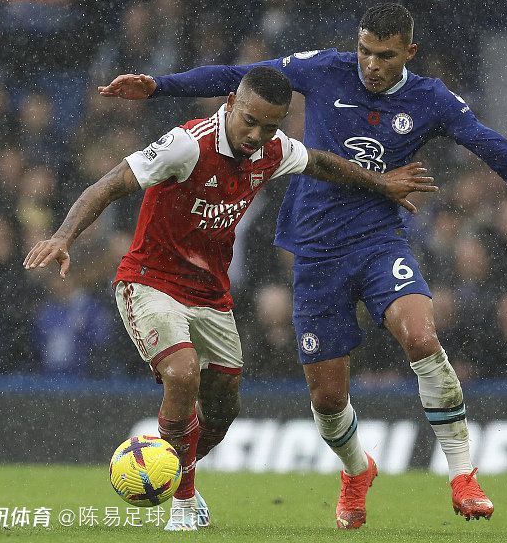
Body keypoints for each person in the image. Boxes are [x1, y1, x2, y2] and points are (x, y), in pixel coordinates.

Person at [99, 3, 507, 528]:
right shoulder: (324, 68)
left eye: (385, 56)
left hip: (380, 243)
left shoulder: (429, 99)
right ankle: (357, 470)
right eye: (365, 51)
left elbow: (496, 149)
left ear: (409, 51)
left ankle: (463, 474)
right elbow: (241, 79)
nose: (371, 64)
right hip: (315, 253)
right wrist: (158, 86)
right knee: (327, 399)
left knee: (422, 339)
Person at [25, 66, 436, 531]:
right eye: (249, 121)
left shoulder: (272, 150)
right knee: (181, 375)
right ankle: (182, 503)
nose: (257, 135)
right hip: (150, 280)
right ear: (229, 106)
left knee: (223, 410)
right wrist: (63, 237)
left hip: (211, 295)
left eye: (270, 127)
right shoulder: (187, 145)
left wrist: (382, 183)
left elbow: (320, 163)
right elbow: (110, 183)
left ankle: (169, 471)